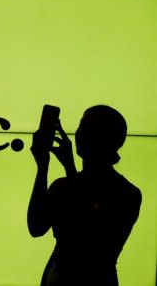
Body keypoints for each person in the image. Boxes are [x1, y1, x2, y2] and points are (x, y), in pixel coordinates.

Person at [28, 105, 142, 286]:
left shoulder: (126, 193)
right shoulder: (126, 191)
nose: (81, 133)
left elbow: (90, 235)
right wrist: (43, 166)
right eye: (82, 125)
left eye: (90, 127)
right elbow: (36, 226)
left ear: (108, 138)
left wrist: (68, 169)